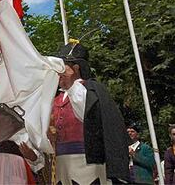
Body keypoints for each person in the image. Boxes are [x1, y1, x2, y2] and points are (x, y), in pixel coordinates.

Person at [50, 42, 130, 184]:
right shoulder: (55, 98)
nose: (57, 72)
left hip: (87, 162)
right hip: (61, 164)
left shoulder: (91, 89)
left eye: (61, 67)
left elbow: (89, 114)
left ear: (75, 68)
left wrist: (70, 86)